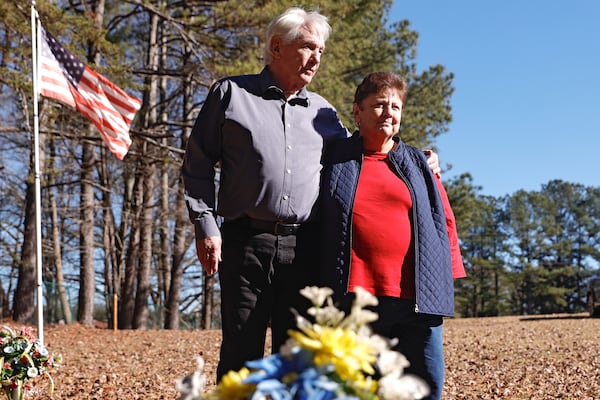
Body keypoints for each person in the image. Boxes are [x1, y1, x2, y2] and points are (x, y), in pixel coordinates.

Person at [181, 8, 441, 382]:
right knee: (241, 354)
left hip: (306, 249)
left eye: (320, 50)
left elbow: (364, 153)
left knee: (298, 359)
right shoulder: (231, 94)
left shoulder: (324, 112)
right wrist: (206, 224)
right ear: (276, 48)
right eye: (307, 47)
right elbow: (198, 164)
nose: (317, 58)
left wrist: (416, 159)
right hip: (245, 242)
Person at [319, 71, 466, 400]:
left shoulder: (419, 162)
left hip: (416, 300)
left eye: (396, 107)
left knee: (423, 388)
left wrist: (446, 277)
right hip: (355, 300)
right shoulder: (333, 159)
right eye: (379, 105)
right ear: (357, 111)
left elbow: (444, 219)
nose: (389, 113)